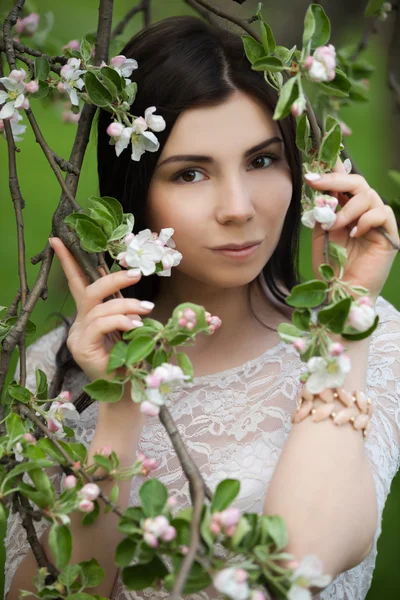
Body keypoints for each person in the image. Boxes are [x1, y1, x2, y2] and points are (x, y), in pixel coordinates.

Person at [4, 14, 400, 600]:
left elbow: (297, 562)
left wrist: (344, 311)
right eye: (190, 174)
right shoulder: (54, 369)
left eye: (262, 160)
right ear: (136, 194)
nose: (238, 207)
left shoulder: (372, 334)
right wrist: (118, 402)